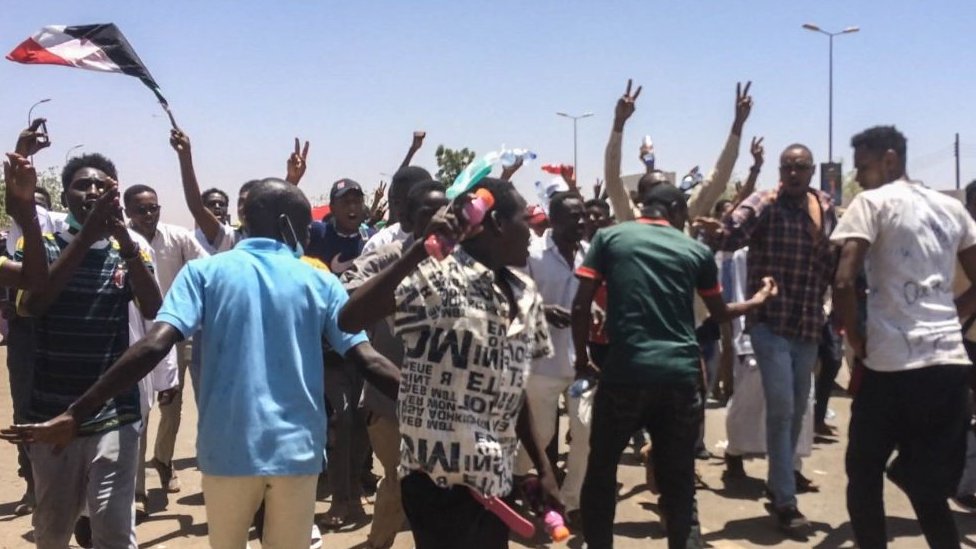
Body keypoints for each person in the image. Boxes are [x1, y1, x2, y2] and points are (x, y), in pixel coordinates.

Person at [3, 178, 400, 549]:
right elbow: (366, 359)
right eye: (304, 224)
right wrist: (429, 405)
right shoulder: (319, 281)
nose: (310, 233)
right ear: (286, 224)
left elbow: (153, 345)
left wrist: (77, 412)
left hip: (227, 453)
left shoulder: (203, 273)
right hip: (297, 453)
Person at [338, 177, 561, 549]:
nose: (533, 234)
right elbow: (350, 318)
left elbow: (513, 389)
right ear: (498, 225)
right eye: (525, 220)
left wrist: (545, 469)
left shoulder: (521, 292)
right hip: (434, 480)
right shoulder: (433, 280)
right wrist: (418, 253)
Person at [572, 183, 777, 549]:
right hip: (679, 379)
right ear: (678, 210)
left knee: (602, 469)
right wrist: (758, 299)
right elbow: (719, 314)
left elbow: (581, 304)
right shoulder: (695, 250)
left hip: (625, 373)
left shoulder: (609, 238)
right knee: (679, 479)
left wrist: (583, 360)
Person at [1, 152, 162, 548]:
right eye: (82, 184)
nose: (92, 191)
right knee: (53, 531)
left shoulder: (132, 249)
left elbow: (155, 309)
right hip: (52, 413)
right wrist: (88, 236)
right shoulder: (41, 247)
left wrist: (123, 239)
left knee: (113, 530)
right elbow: (35, 304)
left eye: (102, 184)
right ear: (65, 195)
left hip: (115, 411)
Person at [833, 126, 976, 549]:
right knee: (927, 485)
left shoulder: (872, 203)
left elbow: (843, 279)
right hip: (949, 363)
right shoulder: (950, 208)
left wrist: (856, 338)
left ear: (890, 160)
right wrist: (953, 314)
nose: (858, 177)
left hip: (892, 365)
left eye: (863, 166)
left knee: (863, 469)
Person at [714, 142, 836, 535]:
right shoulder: (764, 203)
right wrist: (720, 227)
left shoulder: (825, 206)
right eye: (787, 167)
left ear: (811, 170)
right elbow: (730, 235)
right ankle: (784, 500)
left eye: (800, 167)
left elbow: (834, 260)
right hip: (770, 322)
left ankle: (777, 480)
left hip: (807, 325)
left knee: (801, 410)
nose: (793, 173)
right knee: (782, 407)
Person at [341, 179, 449, 549]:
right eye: (428, 213)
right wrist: (409, 263)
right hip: (389, 398)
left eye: (444, 210)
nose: (439, 219)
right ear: (405, 216)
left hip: (442, 400)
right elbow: (346, 299)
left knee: (433, 485)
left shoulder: (461, 260)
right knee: (401, 476)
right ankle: (379, 542)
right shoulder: (387, 255)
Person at [122, 183, 209, 507]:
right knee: (139, 413)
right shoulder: (123, 241)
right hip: (140, 337)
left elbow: (207, 266)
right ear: (127, 212)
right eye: (141, 209)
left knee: (173, 409)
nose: (148, 214)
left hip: (181, 333)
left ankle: (163, 459)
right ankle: (137, 491)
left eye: (153, 208)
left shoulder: (178, 237)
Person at [514, 191, 591, 525]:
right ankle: (513, 478)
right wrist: (541, 311)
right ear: (554, 219)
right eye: (574, 216)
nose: (582, 221)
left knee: (586, 432)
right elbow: (511, 295)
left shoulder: (590, 254)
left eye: (584, 215)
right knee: (539, 437)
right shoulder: (531, 253)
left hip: (581, 363)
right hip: (541, 364)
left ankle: (571, 502)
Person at [2, 121, 56, 516]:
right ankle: (32, 483)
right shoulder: (12, 237)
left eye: (39, 204)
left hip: (61, 329)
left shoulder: (61, 231)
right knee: (25, 408)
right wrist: (23, 155)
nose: (31, 208)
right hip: (24, 333)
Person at [308, 178, 368, 273]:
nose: (352, 207)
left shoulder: (372, 240)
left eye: (357, 201)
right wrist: (293, 179)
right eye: (346, 202)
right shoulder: (317, 234)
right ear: (332, 207)